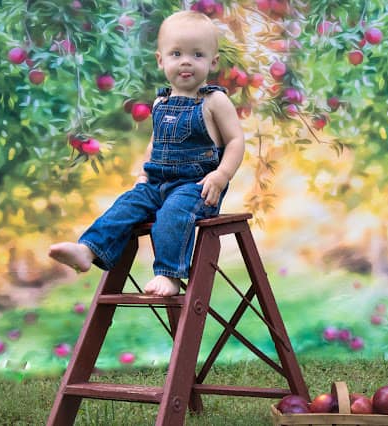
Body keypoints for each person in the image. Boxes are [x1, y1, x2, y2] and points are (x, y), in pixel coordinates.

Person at [48, 10, 245, 296]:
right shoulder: (160, 102)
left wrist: (221, 175)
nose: (186, 61)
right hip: (155, 182)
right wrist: (143, 173)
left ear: (213, 62)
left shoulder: (215, 100)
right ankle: (87, 250)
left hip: (197, 188)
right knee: (125, 205)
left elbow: (236, 141)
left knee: (172, 213)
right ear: (160, 60)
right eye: (176, 53)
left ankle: (169, 274)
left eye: (197, 55)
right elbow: (155, 143)